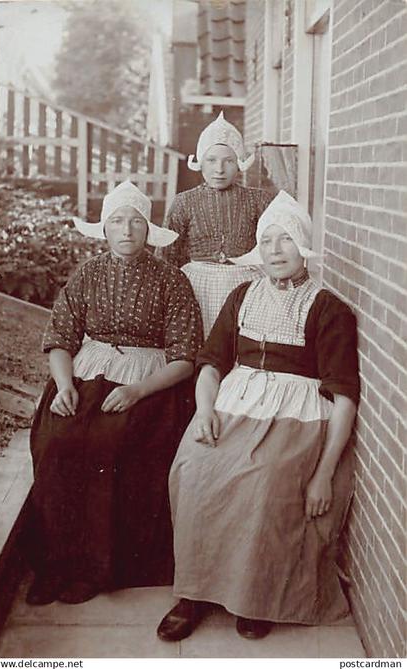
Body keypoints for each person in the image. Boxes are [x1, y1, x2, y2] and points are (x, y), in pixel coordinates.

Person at [157, 190, 360, 641]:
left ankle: (256, 597)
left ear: (302, 246)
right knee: (193, 468)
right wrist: (206, 410)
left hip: (296, 418)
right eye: (266, 241)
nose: (274, 250)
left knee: (265, 481)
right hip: (233, 407)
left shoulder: (328, 308)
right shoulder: (242, 295)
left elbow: (344, 397)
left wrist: (325, 473)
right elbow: (211, 364)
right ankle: (193, 593)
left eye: (285, 239)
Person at [26, 181, 203, 606]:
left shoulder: (170, 279)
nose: (127, 230)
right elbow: (60, 339)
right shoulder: (88, 273)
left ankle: (98, 569)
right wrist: (65, 386)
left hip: (148, 383)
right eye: (117, 222)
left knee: (108, 445)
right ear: (105, 229)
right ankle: (57, 564)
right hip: (87, 375)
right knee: (56, 443)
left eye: (136, 222)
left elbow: (185, 358)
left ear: (148, 230)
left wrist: (137, 390)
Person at [161, 111, 276, 337]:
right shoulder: (184, 201)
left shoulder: (259, 200)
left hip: (246, 282)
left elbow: (272, 245)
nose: (219, 169)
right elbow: (168, 254)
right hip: (198, 283)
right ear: (201, 162)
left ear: (240, 164)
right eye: (212, 160)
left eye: (229, 161)